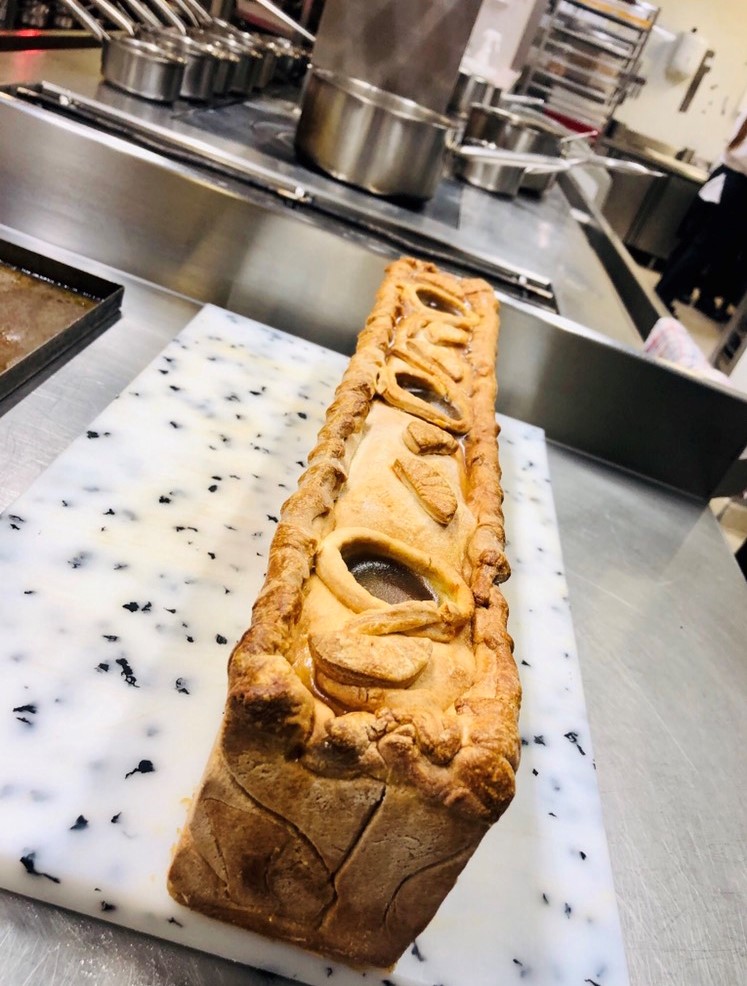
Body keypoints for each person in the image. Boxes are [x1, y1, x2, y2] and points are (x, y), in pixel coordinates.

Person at [655, 111, 747, 313]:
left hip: (725, 180)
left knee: (695, 245)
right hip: (736, 188)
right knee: (701, 249)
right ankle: (663, 295)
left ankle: (663, 292)